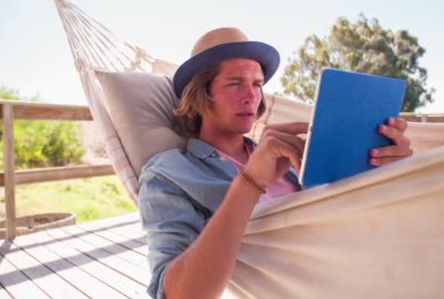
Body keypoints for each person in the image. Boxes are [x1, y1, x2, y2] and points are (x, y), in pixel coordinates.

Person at [138, 27, 413, 299]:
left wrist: (390, 168)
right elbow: (175, 294)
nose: (251, 96)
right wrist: (251, 182)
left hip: (361, 271)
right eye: (235, 83)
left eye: (257, 84)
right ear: (199, 95)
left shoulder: (288, 159)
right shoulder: (170, 174)